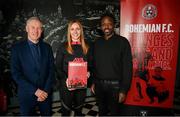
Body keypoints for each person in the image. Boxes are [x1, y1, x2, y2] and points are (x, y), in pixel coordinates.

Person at [10, 17, 55, 116]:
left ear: (42, 30)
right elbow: (16, 74)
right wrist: (35, 91)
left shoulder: (47, 48)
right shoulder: (17, 49)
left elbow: (51, 71)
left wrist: (45, 91)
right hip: (27, 95)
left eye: (39, 28)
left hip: (45, 94)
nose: (36, 30)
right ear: (27, 28)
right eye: (33, 27)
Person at [91, 13, 133, 116]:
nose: (106, 26)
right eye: (103, 24)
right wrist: (93, 82)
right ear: (100, 26)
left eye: (109, 23)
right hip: (99, 85)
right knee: (102, 111)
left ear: (114, 25)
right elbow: (93, 65)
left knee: (115, 113)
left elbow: (127, 68)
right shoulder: (96, 43)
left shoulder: (123, 42)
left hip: (115, 86)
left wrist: (123, 90)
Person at [55, 19, 92, 116]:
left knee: (79, 112)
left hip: (81, 87)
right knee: (66, 113)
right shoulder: (63, 47)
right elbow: (57, 68)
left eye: (77, 29)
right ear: (69, 31)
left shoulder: (87, 47)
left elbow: (91, 65)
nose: (75, 32)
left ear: (81, 31)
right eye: (72, 29)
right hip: (66, 87)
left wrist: (89, 72)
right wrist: (65, 80)